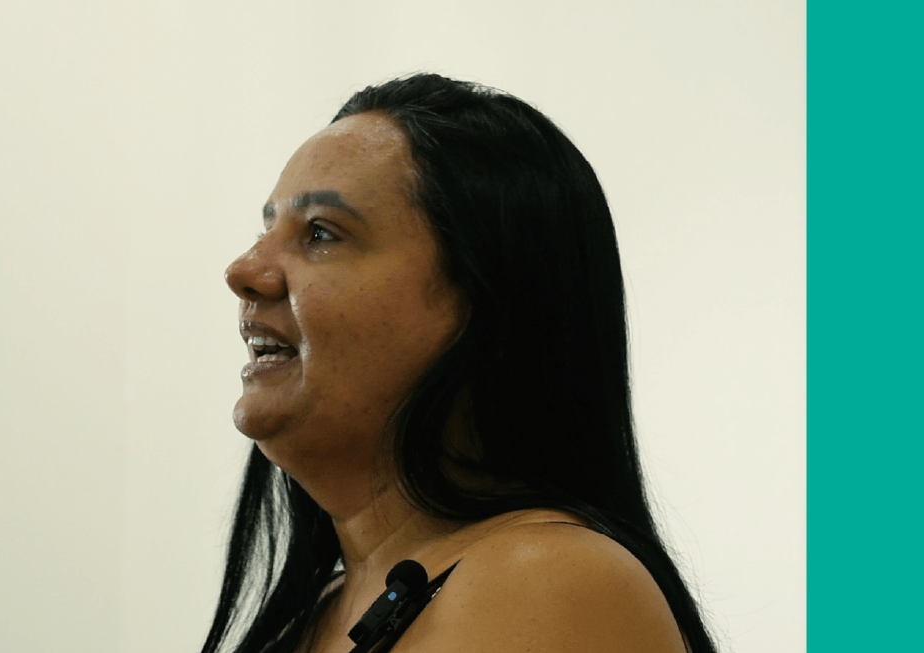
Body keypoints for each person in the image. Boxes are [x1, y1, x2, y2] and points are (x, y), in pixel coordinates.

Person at [202, 74, 717, 653]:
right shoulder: (321, 613)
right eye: (266, 229)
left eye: (321, 233)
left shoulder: (548, 579)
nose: (243, 271)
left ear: (488, 306)